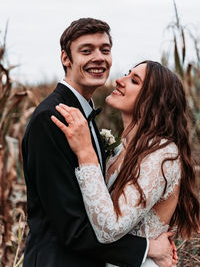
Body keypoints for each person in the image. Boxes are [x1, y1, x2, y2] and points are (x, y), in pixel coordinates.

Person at [22, 19, 176, 267]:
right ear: (66, 58)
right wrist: (147, 248)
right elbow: (72, 227)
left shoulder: (85, 116)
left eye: (105, 50)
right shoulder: (51, 119)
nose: (99, 57)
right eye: (86, 50)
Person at [51, 60, 200, 267]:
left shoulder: (162, 154)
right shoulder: (123, 149)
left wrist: (86, 153)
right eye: (127, 74)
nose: (119, 80)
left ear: (153, 100)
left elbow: (109, 228)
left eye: (134, 81)